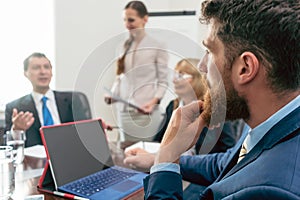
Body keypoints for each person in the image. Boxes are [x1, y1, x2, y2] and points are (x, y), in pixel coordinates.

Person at [126, 0, 300, 199]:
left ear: (245, 68)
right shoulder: (267, 120)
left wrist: (165, 159)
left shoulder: (272, 191)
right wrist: (159, 158)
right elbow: (225, 164)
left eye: (209, 51)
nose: (201, 66)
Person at [5, 52, 110, 147]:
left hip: (70, 154)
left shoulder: (73, 100)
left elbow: (85, 134)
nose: (43, 72)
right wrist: (17, 130)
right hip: (36, 163)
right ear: (25, 73)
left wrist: (95, 130)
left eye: (46, 67)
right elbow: (9, 147)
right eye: (36, 68)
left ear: (51, 72)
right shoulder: (15, 108)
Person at [104, 1, 169, 142]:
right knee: (126, 154)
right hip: (124, 111)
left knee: (145, 153)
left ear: (145, 19)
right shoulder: (122, 46)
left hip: (146, 112)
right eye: (125, 20)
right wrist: (112, 94)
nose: (127, 24)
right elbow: (120, 76)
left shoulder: (157, 46)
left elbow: (163, 81)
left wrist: (153, 102)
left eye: (131, 20)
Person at [152, 58, 241, 154]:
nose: (174, 80)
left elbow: (228, 149)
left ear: (198, 79)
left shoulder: (215, 108)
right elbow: (159, 140)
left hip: (200, 165)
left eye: (181, 75)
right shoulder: (173, 106)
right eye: (175, 75)